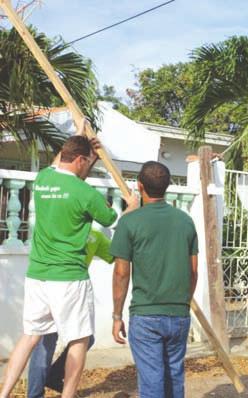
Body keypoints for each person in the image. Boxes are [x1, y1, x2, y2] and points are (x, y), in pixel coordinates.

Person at [0, 131, 122, 398]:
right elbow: (112, 218)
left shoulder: (43, 179)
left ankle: (4, 393)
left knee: (29, 336)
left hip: (37, 274)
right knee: (79, 341)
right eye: (86, 161)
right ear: (80, 160)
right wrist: (133, 206)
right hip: (68, 277)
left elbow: (61, 162)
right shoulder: (86, 193)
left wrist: (80, 138)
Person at [110, 161, 198, 398]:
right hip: (178, 313)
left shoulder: (129, 222)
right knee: (174, 378)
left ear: (140, 186)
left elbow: (121, 273)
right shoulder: (185, 221)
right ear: (167, 186)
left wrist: (117, 316)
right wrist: (183, 304)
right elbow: (192, 271)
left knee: (152, 383)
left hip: (146, 314)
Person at [28, 229, 114, 398]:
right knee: (82, 339)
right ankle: (51, 379)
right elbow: (117, 252)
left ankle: (37, 391)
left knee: (45, 341)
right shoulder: (94, 236)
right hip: (72, 290)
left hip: (47, 285)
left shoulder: (55, 226)